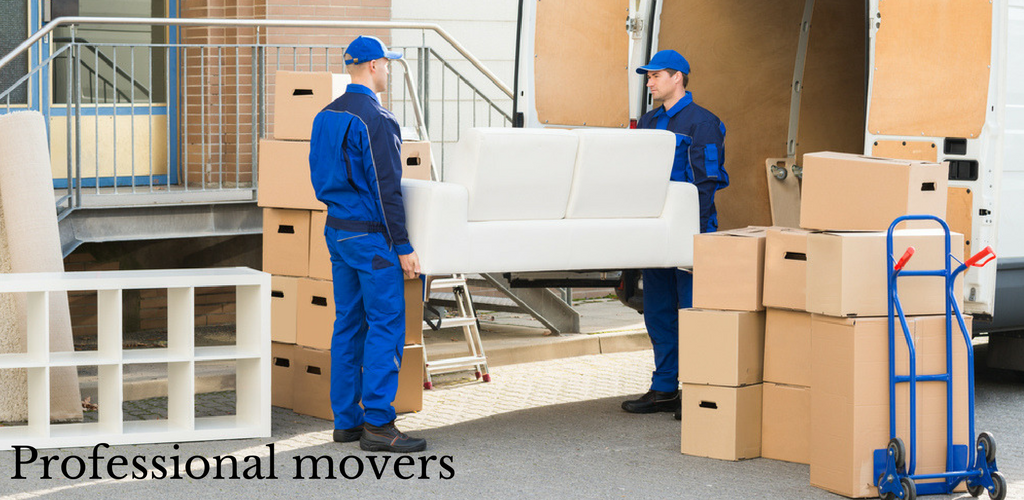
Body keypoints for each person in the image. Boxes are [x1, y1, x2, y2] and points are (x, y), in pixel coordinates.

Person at [308, 35, 426, 452]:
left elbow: (319, 176)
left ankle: (346, 421)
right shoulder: (376, 118)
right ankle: (378, 423)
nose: (389, 70)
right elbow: (386, 188)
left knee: (348, 324)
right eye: (388, 64)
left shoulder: (324, 115)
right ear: (374, 65)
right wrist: (405, 247)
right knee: (386, 325)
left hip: (337, 231)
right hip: (372, 237)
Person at [621, 49, 729, 417]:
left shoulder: (704, 123)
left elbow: (707, 182)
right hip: (656, 233)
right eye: (648, 76)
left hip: (691, 233)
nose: (649, 82)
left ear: (677, 77)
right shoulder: (649, 121)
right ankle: (664, 388)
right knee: (658, 311)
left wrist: (692, 234)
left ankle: (696, 390)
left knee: (691, 312)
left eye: (655, 76)